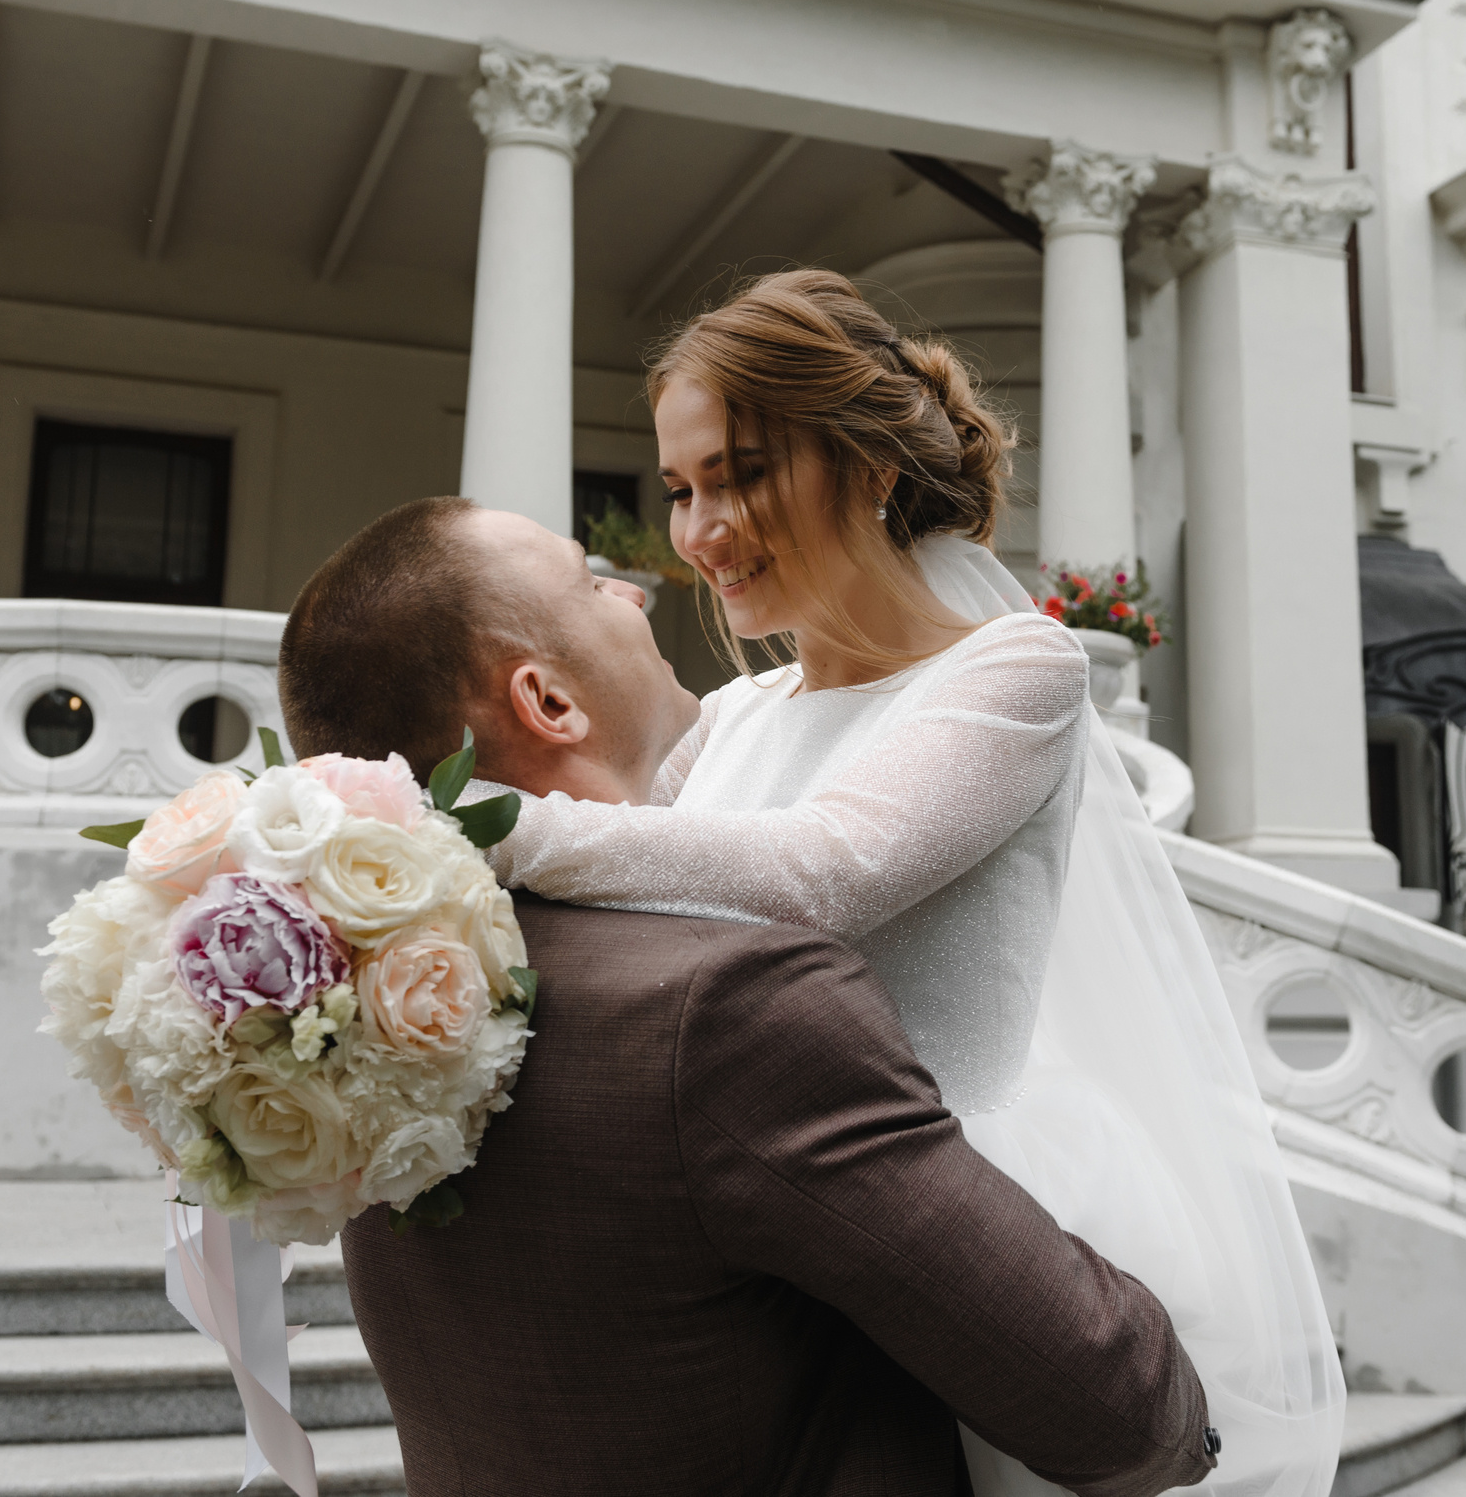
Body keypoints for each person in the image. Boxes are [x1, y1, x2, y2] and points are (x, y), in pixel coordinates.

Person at [442, 271, 1344, 1497]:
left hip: (960, 1209)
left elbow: (826, 871)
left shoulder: (1017, 669)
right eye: (682, 488)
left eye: (740, 474)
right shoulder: (735, 714)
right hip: (750, 1216)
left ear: (866, 467)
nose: (701, 529)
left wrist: (488, 825)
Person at [279, 497, 1218, 1497]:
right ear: (548, 701)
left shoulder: (353, 995)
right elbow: (1111, 1403)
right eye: (590, 580)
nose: (635, 587)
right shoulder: (733, 1010)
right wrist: (1185, 1413)